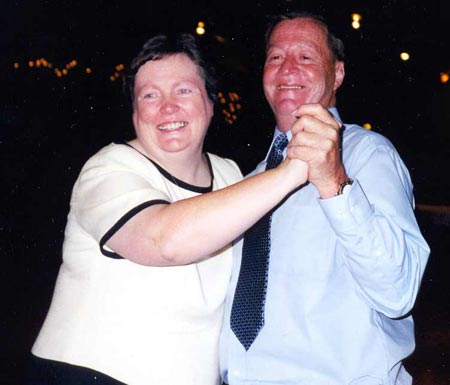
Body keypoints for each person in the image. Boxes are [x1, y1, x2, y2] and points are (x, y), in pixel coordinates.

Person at [26, 33, 308, 385]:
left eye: (184, 91)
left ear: (210, 102)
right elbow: (165, 241)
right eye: (150, 95)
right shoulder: (108, 170)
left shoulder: (230, 175)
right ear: (134, 112)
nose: (168, 107)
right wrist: (293, 171)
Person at [220, 12, 430, 385]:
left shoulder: (367, 155)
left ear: (338, 75)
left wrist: (334, 181)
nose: (287, 69)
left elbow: (398, 291)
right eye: (275, 57)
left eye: (305, 57)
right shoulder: (250, 180)